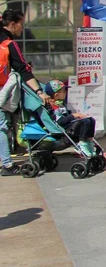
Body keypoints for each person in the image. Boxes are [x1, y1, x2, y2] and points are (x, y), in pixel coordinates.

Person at [2, 10, 51, 174]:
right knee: (2, 127)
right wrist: (39, 91)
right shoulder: (9, 44)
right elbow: (23, 69)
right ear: (13, 24)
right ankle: (8, 164)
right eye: (21, 24)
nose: (22, 28)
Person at [42, 80, 98, 157]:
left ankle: (89, 142)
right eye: (64, 91)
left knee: (91, 120)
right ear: (56, 94)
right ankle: (82, 145)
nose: (66, 93)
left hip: (68, 123)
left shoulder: (61, 104)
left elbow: (67, 115)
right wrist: (73, 116)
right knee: (84, 122)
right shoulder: (52, 107)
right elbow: (59, 121)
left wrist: (75, 115)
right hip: (62, 127)